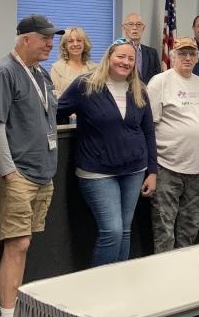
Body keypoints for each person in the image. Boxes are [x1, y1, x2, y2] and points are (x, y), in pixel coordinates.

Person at [0, 15, 63, 317]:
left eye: (52, 37)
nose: (51, 43)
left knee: (24, 245)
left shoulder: (41, 74)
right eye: (44, 38)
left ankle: (14, 309)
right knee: (18, 244)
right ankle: (7, 314)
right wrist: (9, 172)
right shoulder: (1, 73)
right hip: (17, 175)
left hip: (43, 172)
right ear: (25, 38)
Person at [56, 38, 157, 266]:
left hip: (134, 169)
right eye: (120, 56)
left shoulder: (139, 89)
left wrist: (152, 171)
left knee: (125, 230)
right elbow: (55, 112)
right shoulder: (86, 85)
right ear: (109, 57)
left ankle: (118, 285)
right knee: (111, 231)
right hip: (97, 172)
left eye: (131, 58)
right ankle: (99, 287)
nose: (125, 62)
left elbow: (149, 131)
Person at [146, 37, 199, 252]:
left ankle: (184, 269)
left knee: (191, 224)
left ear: (198, 57)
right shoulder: (160, 82)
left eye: (192, 54)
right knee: (164, 225)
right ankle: (164, 272)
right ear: (173, 56)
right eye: (182, 53)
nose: (187, 58)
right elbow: (149, 127)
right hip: (167, 165)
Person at [50, 27, 97, 96]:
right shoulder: (56, 68)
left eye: (79, 40)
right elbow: (53, 96)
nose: (75, 44)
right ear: (65, 45)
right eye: (70, 41)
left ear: (84, 44)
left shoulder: (94, 69)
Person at [122, 13, 164, 83]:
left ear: (143, 28)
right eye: (130, 24)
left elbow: (157, 78)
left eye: (138, 24)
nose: (135, 28)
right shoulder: (117, 51)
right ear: (124, 28)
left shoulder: (152, 53)